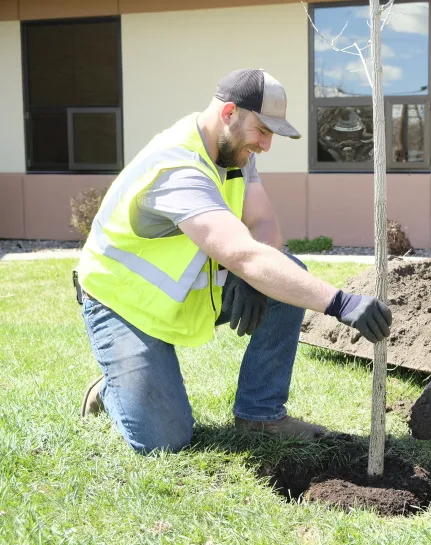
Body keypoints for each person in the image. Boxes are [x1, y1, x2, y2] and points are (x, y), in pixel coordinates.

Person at [76, 68, 392, 453]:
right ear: (229, 113)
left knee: (286, 274)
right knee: (164, 442)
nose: (266, 145)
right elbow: (241, 253)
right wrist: (342, 303)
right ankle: (113, 390)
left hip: (177, 297)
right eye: (262, 130)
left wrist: (252, 279)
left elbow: (261, 222)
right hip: (123, 306)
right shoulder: (178, 167)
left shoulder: (233, 152)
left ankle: (260, 416)